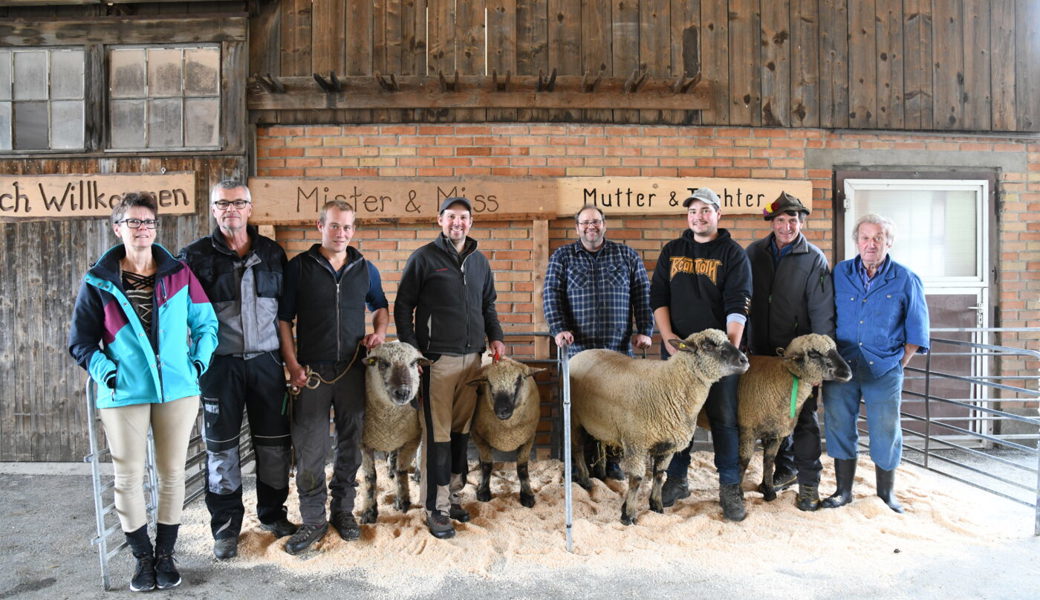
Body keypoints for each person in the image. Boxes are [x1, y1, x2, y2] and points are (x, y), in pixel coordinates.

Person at [69, 192, 218, 591]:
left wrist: (197, 362)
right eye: (133, 222)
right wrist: (107, 372)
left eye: (148, 222)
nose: (142, 229)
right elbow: (81, 342)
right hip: (125, 392)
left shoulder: (179, 274)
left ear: (156, 228)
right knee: (128, 476)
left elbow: (207, 324)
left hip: (176, 390)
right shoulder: (98, 281)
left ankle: (166, 555)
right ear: (117, 228)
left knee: (171, 475)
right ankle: (142, 560)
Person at [179, 180, 296, 559]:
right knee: (221, 449)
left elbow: (286, 314)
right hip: (219, 365)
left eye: (238, 203)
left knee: (275, 445)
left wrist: (292, 363)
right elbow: (178, 314)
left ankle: (273, 514)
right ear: (213, 209)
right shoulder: (193, 257)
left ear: (250, 208)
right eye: (223, 203)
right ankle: (226, 527)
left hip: (267, 363)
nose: (231, 209)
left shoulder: (273, 253)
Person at [276, 200, 389, 554]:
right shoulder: (299, 268)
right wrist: (292, 365)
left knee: (350, 442)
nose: (341, 233)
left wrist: (380, 333)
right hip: (311, 373)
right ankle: (312, 518)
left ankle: (343, 511)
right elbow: (283, 320)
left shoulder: (364, 268)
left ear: (353, 230)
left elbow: (381, 306)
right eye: (335, 226)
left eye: (347, 227)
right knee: (311, 446)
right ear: (319, 226)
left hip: (353, 368)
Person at [394, 196, 506, 539]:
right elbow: (402, 306)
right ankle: (435, 508)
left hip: (473, 360)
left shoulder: (479, 262)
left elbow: (488, 306)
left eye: (464, 218)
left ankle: (454, 497)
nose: (458, 223)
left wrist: (496, 337)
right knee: (438, 438)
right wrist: (415, 353)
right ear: (440, 220)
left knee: (460, 436)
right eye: (451, 217)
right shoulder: (424, 258)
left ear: (471, 222)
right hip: (437, 362)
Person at [650, 187, 752, 522]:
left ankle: (729, 486)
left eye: (705, 211)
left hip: (718, 357)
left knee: (723, 418)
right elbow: (659, 298)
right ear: (687, 217)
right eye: (693, 211)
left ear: (718, 214)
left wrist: (729, 351)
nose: (699, 217)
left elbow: (738, 305)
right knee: (680, 418)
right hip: (681, 355)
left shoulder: (733, 254)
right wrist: (667, 338)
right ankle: (677, 479)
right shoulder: (673, 250)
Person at [822, 213, 929, 513]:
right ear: (857, 241)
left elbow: (917, 330)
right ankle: (843, 491)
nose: (871, 244)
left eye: (878, 238)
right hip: (841, 366)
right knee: (839, 424)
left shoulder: (906, 278)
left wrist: (898, 363)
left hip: (884, 368)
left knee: (885, 429)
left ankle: (886, 495)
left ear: (889, 242)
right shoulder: (840, 273)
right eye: (866, 238)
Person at [543, 204, 653, 479]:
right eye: (584, 223)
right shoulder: (563, 257)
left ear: (604, 224)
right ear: (577, 227)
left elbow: (642, 294)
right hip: (578, 350)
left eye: (595, 222)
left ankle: (613, 462)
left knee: (617, 407)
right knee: (580, 406)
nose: (590, 227)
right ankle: (581, 463)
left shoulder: (626, 255)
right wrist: (559, 329)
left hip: (616, 348)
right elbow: (551, 295)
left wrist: (645, 330)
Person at [745, 192, 835, 511]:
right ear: (772, 222)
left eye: (793, 220)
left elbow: (822, 312)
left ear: (802, 221)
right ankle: (783, 468)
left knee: (803, 415)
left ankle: (808, 482)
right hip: (760, 351)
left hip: (796, 357)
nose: (786, 226)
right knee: (766, 412)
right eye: (780, 220)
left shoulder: (813, 259)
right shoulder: (754, 253)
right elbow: (744, 298)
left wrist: (819, 363)